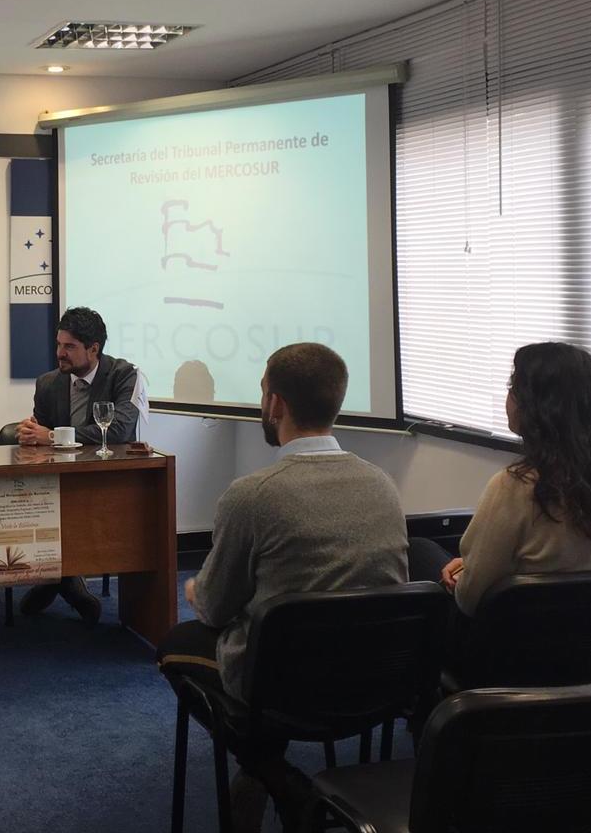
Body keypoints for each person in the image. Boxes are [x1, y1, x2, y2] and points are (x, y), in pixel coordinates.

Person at [155, 343, 408, 832]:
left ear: (275, 404)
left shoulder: (252, 496)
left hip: (283, 690)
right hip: (376, 683)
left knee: (174, 646)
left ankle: (278, 778)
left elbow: (214, 608)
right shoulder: (383, 485)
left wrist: (195, 591)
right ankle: (266, 776)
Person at [430, 342, 591, 616]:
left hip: (513, 639)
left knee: (422, 551)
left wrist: (465, 575)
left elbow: (471, 598)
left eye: (513, 386)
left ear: (537, 405)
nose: (508, 395)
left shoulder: (514, 486)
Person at [15, 306, 140, 624]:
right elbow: (39, 436)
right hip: (57, 483)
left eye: (69, 346)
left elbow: (118, 431)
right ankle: (66, 582)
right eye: (59, 344)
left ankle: (56, 582)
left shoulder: (123, 375)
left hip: (106, 480)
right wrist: (30, 433)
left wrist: (51, 436)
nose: (60, 353)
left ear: (93, 349)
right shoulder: (48, 383)